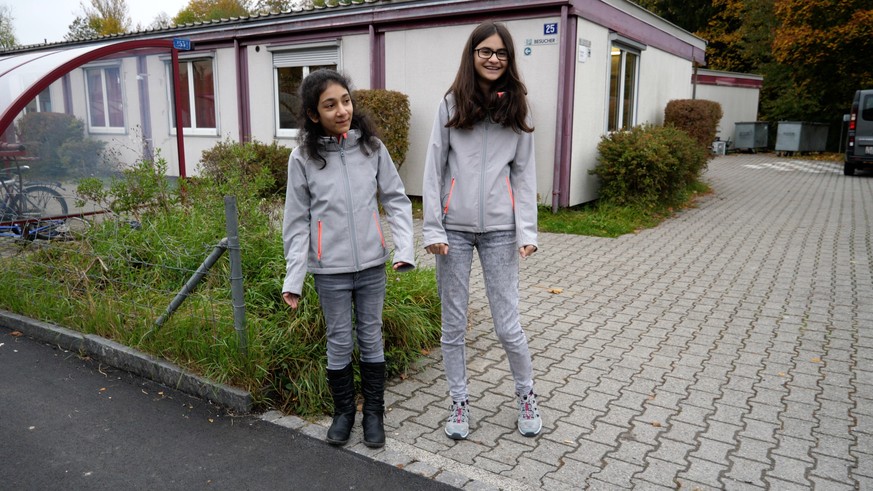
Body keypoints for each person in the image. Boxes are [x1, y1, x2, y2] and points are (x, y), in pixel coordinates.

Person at [281, 69, 415, 449]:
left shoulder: (372, 148)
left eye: (345, 101)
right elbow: (295, 223)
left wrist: (404, 250)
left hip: (372, 265)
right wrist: (294, 278)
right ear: (313, 114)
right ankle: (344, 414)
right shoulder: (302, 159)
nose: (342, 110)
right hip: (330, 271)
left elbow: (396, 200)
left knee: (372, 339)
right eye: (330, 105)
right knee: (339, 342)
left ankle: (374, 415)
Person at [421, 21, 542, 440]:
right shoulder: (451, 104)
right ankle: (458, 400)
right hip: (452, 231)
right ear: (472, 55)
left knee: (508, 325)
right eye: (485, 51)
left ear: (509, 58)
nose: (493, 59)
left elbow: (525, 176)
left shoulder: (518, 107)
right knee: (452, 325)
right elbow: (434, 169)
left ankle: (526, 394)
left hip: (501, 231)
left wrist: (528, 231)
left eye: (501, 52)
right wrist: (432, 227)